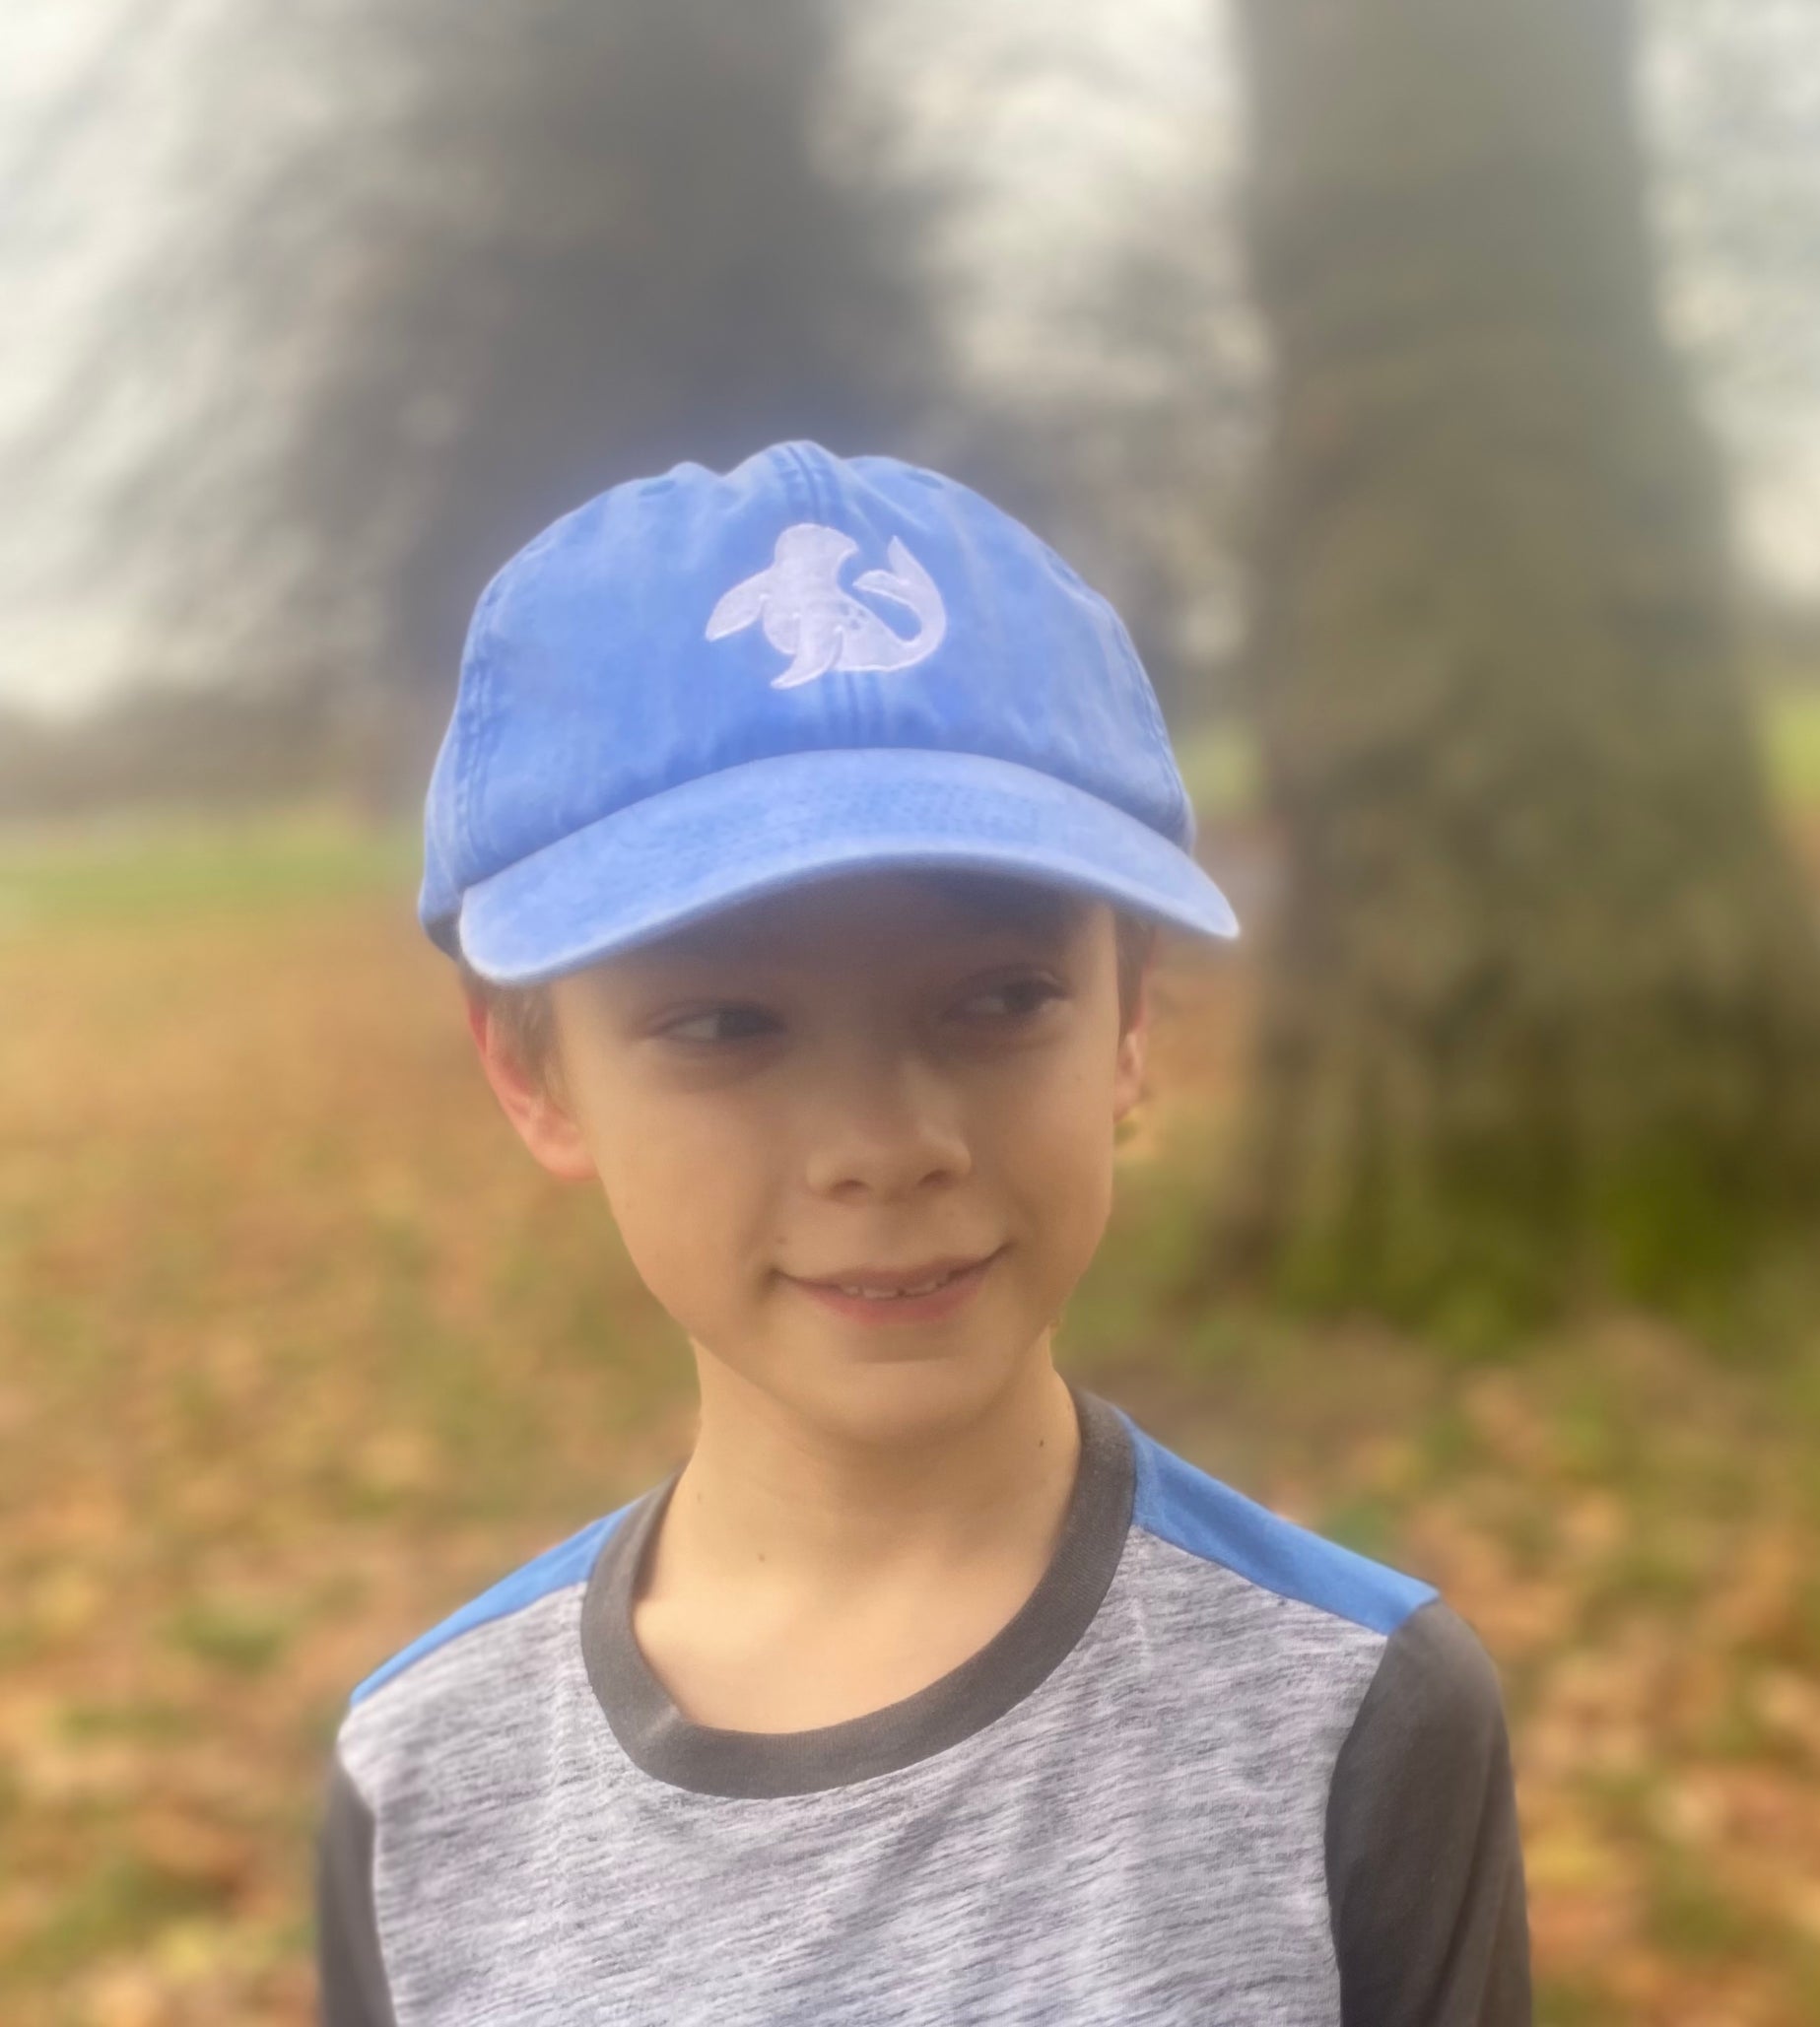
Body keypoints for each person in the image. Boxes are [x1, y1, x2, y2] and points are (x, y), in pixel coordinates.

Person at [313, 440, 1531, 2024]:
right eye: (726, 1020)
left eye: (1000, 997)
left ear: (1127, 1022)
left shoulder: (1354, 1714)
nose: (888, 1144)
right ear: (532, 1070)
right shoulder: (423, 1780)